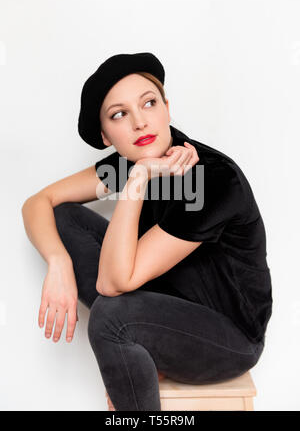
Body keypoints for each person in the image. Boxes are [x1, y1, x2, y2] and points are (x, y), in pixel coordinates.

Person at [22, 52, 273, 411]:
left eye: (149, 103)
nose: (140, 122)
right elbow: (39, 201)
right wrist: (57, 261)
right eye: (120, 114)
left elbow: (112, 285)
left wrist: (138, 178)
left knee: (111, 319)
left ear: (167, 108)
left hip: (230, 338)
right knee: (64, 217)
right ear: (107, 135)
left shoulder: (212, 179)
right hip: (162, 306)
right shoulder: (128, 163)